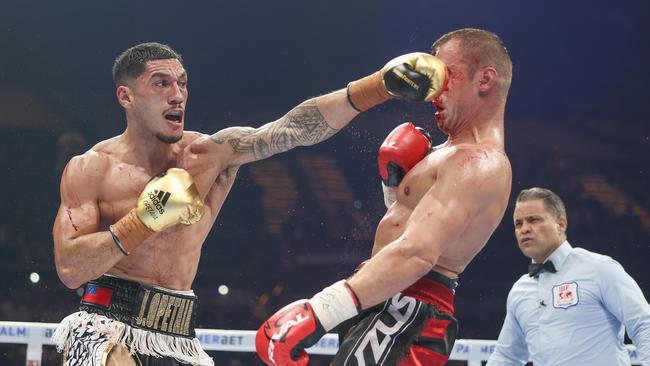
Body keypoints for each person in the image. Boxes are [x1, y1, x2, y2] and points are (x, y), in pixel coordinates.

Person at [50, 42, 447, 366]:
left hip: (179, 334)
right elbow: (70, 268)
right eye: (161, 83)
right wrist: (142, 220)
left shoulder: (210, 154)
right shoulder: (91, 169)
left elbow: (291, 130)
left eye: (183, 83)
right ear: (126, 96)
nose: (177, 94)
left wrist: (379, 86)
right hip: (106, 325)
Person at [256, 28, 513, 366]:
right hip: (390, 301)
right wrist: (393, 189)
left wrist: (321, 311)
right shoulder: (449, 154)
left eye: (446, 74)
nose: (433, 87)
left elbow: (418, 253)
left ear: (485, 79)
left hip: (408, 309)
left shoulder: (478, 162)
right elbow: (407, 230)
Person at [486, 187, 650, 365]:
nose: (524, 229)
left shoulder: (599, 269)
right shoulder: (520, 291)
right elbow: (506, 356)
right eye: (518, 223)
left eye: (533, 220)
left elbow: (643, 324)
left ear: (561, 224)